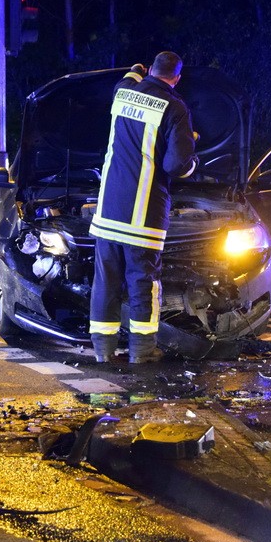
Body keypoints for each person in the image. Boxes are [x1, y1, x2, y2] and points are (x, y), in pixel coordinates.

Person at [88, 51, 198, 364]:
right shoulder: (176, 107)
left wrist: (136, 70)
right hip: (144, 214)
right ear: (177, 78)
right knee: (142, 283)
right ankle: (141, 352)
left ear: (150, 69)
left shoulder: (123, 92)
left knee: (106, 280)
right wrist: (193, 157)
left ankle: (103, 352)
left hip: (109, 209)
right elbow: (176, 166)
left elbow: (128, 78)